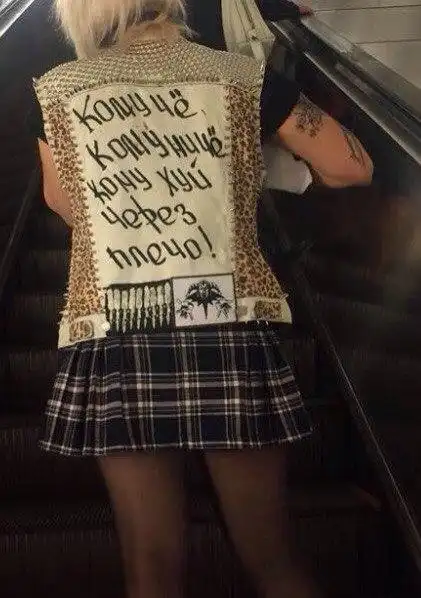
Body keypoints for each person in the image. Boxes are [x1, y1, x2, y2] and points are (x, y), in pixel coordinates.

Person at [29, 1, 373, 597]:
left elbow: (63, 201)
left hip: (117, 333)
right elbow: (351, 168)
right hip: (228, 324)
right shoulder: (241, 76)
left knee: (151, 565)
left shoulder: (58, 90)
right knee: (271, 557)